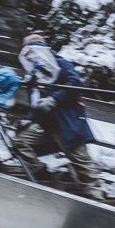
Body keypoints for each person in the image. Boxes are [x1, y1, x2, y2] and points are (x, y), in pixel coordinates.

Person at [13, 34, 103, 200]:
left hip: (67, 123)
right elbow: (36, 101)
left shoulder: (60, 64)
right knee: (20, 142)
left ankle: (96, 197)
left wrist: (54, 99)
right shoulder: (34, 73)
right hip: (46, 126)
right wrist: (29, 119)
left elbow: (74, 83)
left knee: (81, 161)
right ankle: (40, 171)